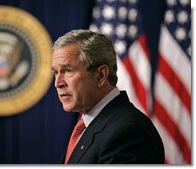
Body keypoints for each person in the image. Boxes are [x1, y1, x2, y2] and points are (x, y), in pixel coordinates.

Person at [51, 29, 165, 164]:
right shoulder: (90, 124)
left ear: (101, 75)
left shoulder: (129, 131)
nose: (57, 83)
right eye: (56, 73)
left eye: (68, 71)